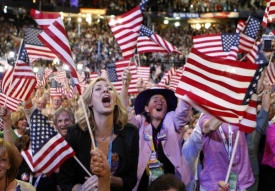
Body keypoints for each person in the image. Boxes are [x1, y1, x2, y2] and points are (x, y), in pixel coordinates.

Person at [58, 77, 139, 191]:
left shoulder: (130, 133)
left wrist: (106, 179)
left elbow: (131, 180)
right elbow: (65, 183)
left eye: (109, 89)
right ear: (90, 102)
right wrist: (83, 188)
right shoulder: (75, 134)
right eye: (98, 89)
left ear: (115, 100)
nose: (105, 90)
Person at [120, 69, 192, 191]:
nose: (160, 102)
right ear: (146, 108)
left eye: (163, 101)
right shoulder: (140, 121)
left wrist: (188, 86)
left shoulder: (173, 120)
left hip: (171, 183)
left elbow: (184, 110)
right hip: (144, 183)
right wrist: (125, 85)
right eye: (155, 100)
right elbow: (124, 113)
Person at [198, 114, 254, 191]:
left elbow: (242, 151)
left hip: (237, 181)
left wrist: (242, 186)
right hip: (213, 183)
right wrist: (226, 110)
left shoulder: (237, 118)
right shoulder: (206, 115)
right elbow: (210, 127)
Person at [246, 77, 273, 191]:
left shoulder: (254, 131)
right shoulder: (228, 130)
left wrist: (267, 90)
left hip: (251, 176)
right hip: (229, 175)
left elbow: (265, 110)